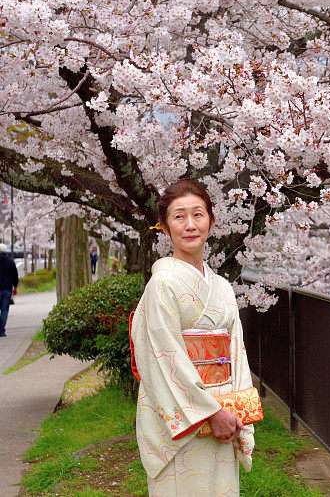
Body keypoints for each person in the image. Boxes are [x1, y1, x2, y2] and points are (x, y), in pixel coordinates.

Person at [130, 179, 255, 496]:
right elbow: (162, 358)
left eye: (198, 215)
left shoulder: (223, 288)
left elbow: (236, 355)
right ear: (164, 226)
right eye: (178, 216)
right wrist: (211, 414)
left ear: (212, 222)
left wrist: (237, 414)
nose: (189, 225)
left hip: (226, 412)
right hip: (185, 418)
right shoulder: (162, 284)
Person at [0, 244, 18, 338]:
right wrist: (15, 288)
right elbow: (15, 275)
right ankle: (1, 331)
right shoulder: (10, 262)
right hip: (7, 289)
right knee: (4, 310)